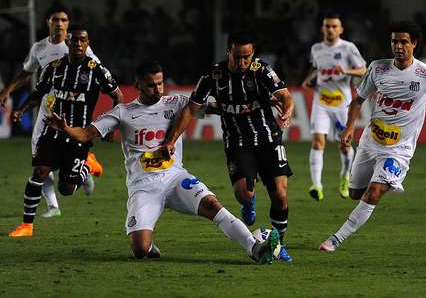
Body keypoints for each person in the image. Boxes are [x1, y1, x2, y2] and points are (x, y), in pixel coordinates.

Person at [46, 60, 280, 264]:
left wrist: (260, 100)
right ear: (138, 84)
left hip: (175, 177)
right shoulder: (123, 113)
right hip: (143, 187)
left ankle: (254, 247)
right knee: (140, 250)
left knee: (212, 204)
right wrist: (65, 128)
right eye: (151, 84)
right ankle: (148, 242)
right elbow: (86, 134)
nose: (157, 88)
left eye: (160, 83)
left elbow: (214, 107)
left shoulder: (176, 102)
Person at [319, 21, 426, 251]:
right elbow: (358, 100)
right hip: (371, 141)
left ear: (414, 44)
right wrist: (350, 127)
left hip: (399, 149)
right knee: (355, 193)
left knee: (374, 192)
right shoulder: (378, 68)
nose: (398, 46)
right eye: (395, 41)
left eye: (404, 42)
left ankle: (335, 239)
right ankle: (373, 191)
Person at [164, 31, 295, 262]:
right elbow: (191, 109)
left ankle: (279, 244)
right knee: (244, 194)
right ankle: (249, 202)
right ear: (228, 53)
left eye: (247, 57)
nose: (242, 62)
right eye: (237, 57)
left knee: (280, 195)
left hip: (268, 138)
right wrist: (172, 139)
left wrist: (287, 111)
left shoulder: (261, 70)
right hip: (237, 143)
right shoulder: (213, 75)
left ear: (252, 53)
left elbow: (285, 95)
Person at [8, 25, 124, 237]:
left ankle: (88, 165)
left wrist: (109, 127)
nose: (78, 44)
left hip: (78, 135)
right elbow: (38, 93)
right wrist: (21, 110)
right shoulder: (53, 67)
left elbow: (118, 96)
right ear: (68, 44)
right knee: (40, 172)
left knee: (66, 189)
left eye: (83, 40)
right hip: (52, 132)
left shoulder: (96, 70)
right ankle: (27, 225)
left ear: (87, 44)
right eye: (74, 41)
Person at [0, 7, 104, 218]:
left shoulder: (77, 46)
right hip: (46, 111)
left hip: (70, 115)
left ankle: (85, 166)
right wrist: (8, 90)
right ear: (47, 22)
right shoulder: (39, 48)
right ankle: (53, 206)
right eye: (55, 19)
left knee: (64, 178)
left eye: (64, 20)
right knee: (39, 161)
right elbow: (26, 72)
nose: (59, 23)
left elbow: (97, 72)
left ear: (68, 24)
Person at [301, 13, 367, 200]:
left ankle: (345, 177)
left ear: (340, 29)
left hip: (342, 103)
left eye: (334, 26)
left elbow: (364, 69)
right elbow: (317, 67)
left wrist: (346, 71)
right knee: (317, 142)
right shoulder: (316, 48)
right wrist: (309, 78)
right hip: (321, 101)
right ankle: (316, 185)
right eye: (327, 26)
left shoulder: (348, 48)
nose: (330, 29)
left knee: (344, 145)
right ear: (322, 28)